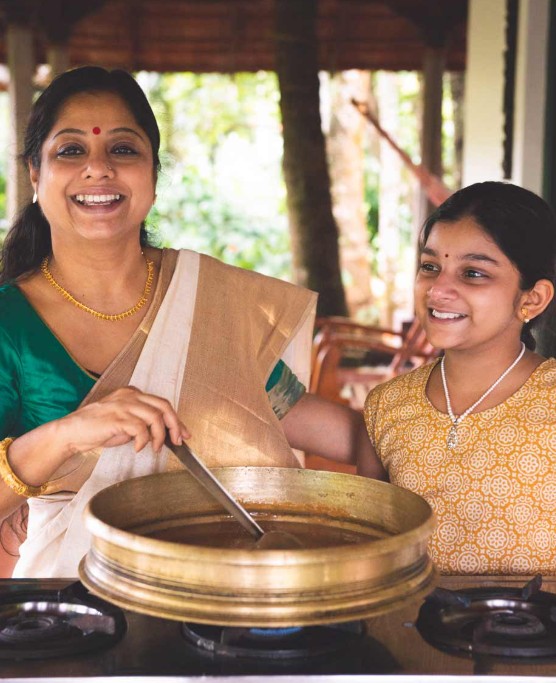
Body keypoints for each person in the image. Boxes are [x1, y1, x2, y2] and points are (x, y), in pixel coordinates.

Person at [0, 65, 382, 578]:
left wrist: (445, 426)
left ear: (152, 177)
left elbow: (319, 424)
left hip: (222, 602)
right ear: (33, 175)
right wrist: (68, 434)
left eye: (123, 149)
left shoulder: (207, 300)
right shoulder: (10, 321)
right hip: (77, 617)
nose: (98, 168)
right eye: (71, 150)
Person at [363, 181, 556, 576]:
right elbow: (370, 549)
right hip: (408, 635)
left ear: (531, 299)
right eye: (430, 266)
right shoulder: (387, 405)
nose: (438, 289)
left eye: (472, 273)